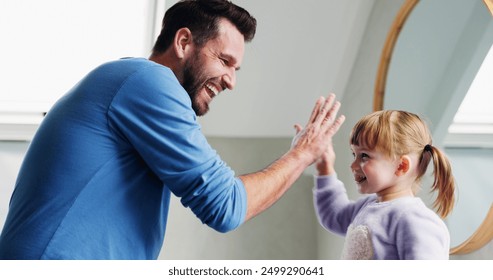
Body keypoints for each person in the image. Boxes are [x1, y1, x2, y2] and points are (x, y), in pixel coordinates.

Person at [0, 0, 345, 260]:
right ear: (183, 42)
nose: (231, 81)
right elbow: (225, 205)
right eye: (225, 61)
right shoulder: (148, 81)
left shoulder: (132, 89)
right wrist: (303, 153)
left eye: (236, 68)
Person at [311, 110, 455, 259]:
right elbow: (335, 216)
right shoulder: (367, 205)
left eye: (364, 156)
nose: (353, 165)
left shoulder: (413, 219)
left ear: (401, 166)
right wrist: (325, 168)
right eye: (354, 154)